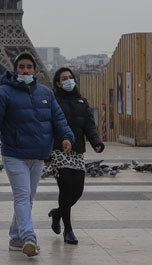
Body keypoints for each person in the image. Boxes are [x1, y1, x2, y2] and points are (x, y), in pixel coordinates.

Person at [0, 53, 74, 257]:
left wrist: (67, 136)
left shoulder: (45, 93)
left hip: (38, 154)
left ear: (35, 70)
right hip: (14, 154)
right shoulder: (3, 93)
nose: (25, 70)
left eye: (29, 67)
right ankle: (28, 236)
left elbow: (58, 118)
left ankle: (15, 238)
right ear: (15, 70)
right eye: (21, 67)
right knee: (23, 196)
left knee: (28, 198)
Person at [48, 67, 104, 244]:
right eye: (64, 78)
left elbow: (89, 125)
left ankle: (57, 213)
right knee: (65, 189)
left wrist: (96, 142)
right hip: (60, 150)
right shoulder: (53, 101)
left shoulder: (82, 102)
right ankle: (68, 230)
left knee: (77, 192)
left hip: (77, 150)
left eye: (70, 77)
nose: (68, 80)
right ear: (58, 83)